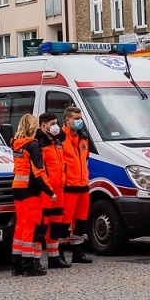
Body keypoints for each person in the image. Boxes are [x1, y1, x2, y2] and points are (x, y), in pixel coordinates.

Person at [9, 115, 50, 276]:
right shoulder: (33, 145)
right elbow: (39, 172)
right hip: (31, 190)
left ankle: (16, 265)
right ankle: (29, 265)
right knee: (32, 228)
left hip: (17, 187)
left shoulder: (15, 144)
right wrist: (50, 191)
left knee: (20, 227)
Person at [37, 112, 71, 268]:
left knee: (56, 225)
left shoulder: (57, 141)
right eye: (52, 123)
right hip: (46, 191)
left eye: (56, 123)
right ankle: (35, 259)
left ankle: (54, 257)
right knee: (42, 226)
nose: (55, 126)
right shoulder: (39, 144)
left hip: (59, 189)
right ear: (43, 125)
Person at [61, 106, 94, 263]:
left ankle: (78, 252)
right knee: (64, 222)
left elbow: (85, 160)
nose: (79, 121)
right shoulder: (60, 138)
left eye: (80, 118)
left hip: (83, 186)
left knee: (81, 220)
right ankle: (58, 253)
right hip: (67, 187)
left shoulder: (83, 138)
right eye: (76, 118)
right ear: (67, 120)